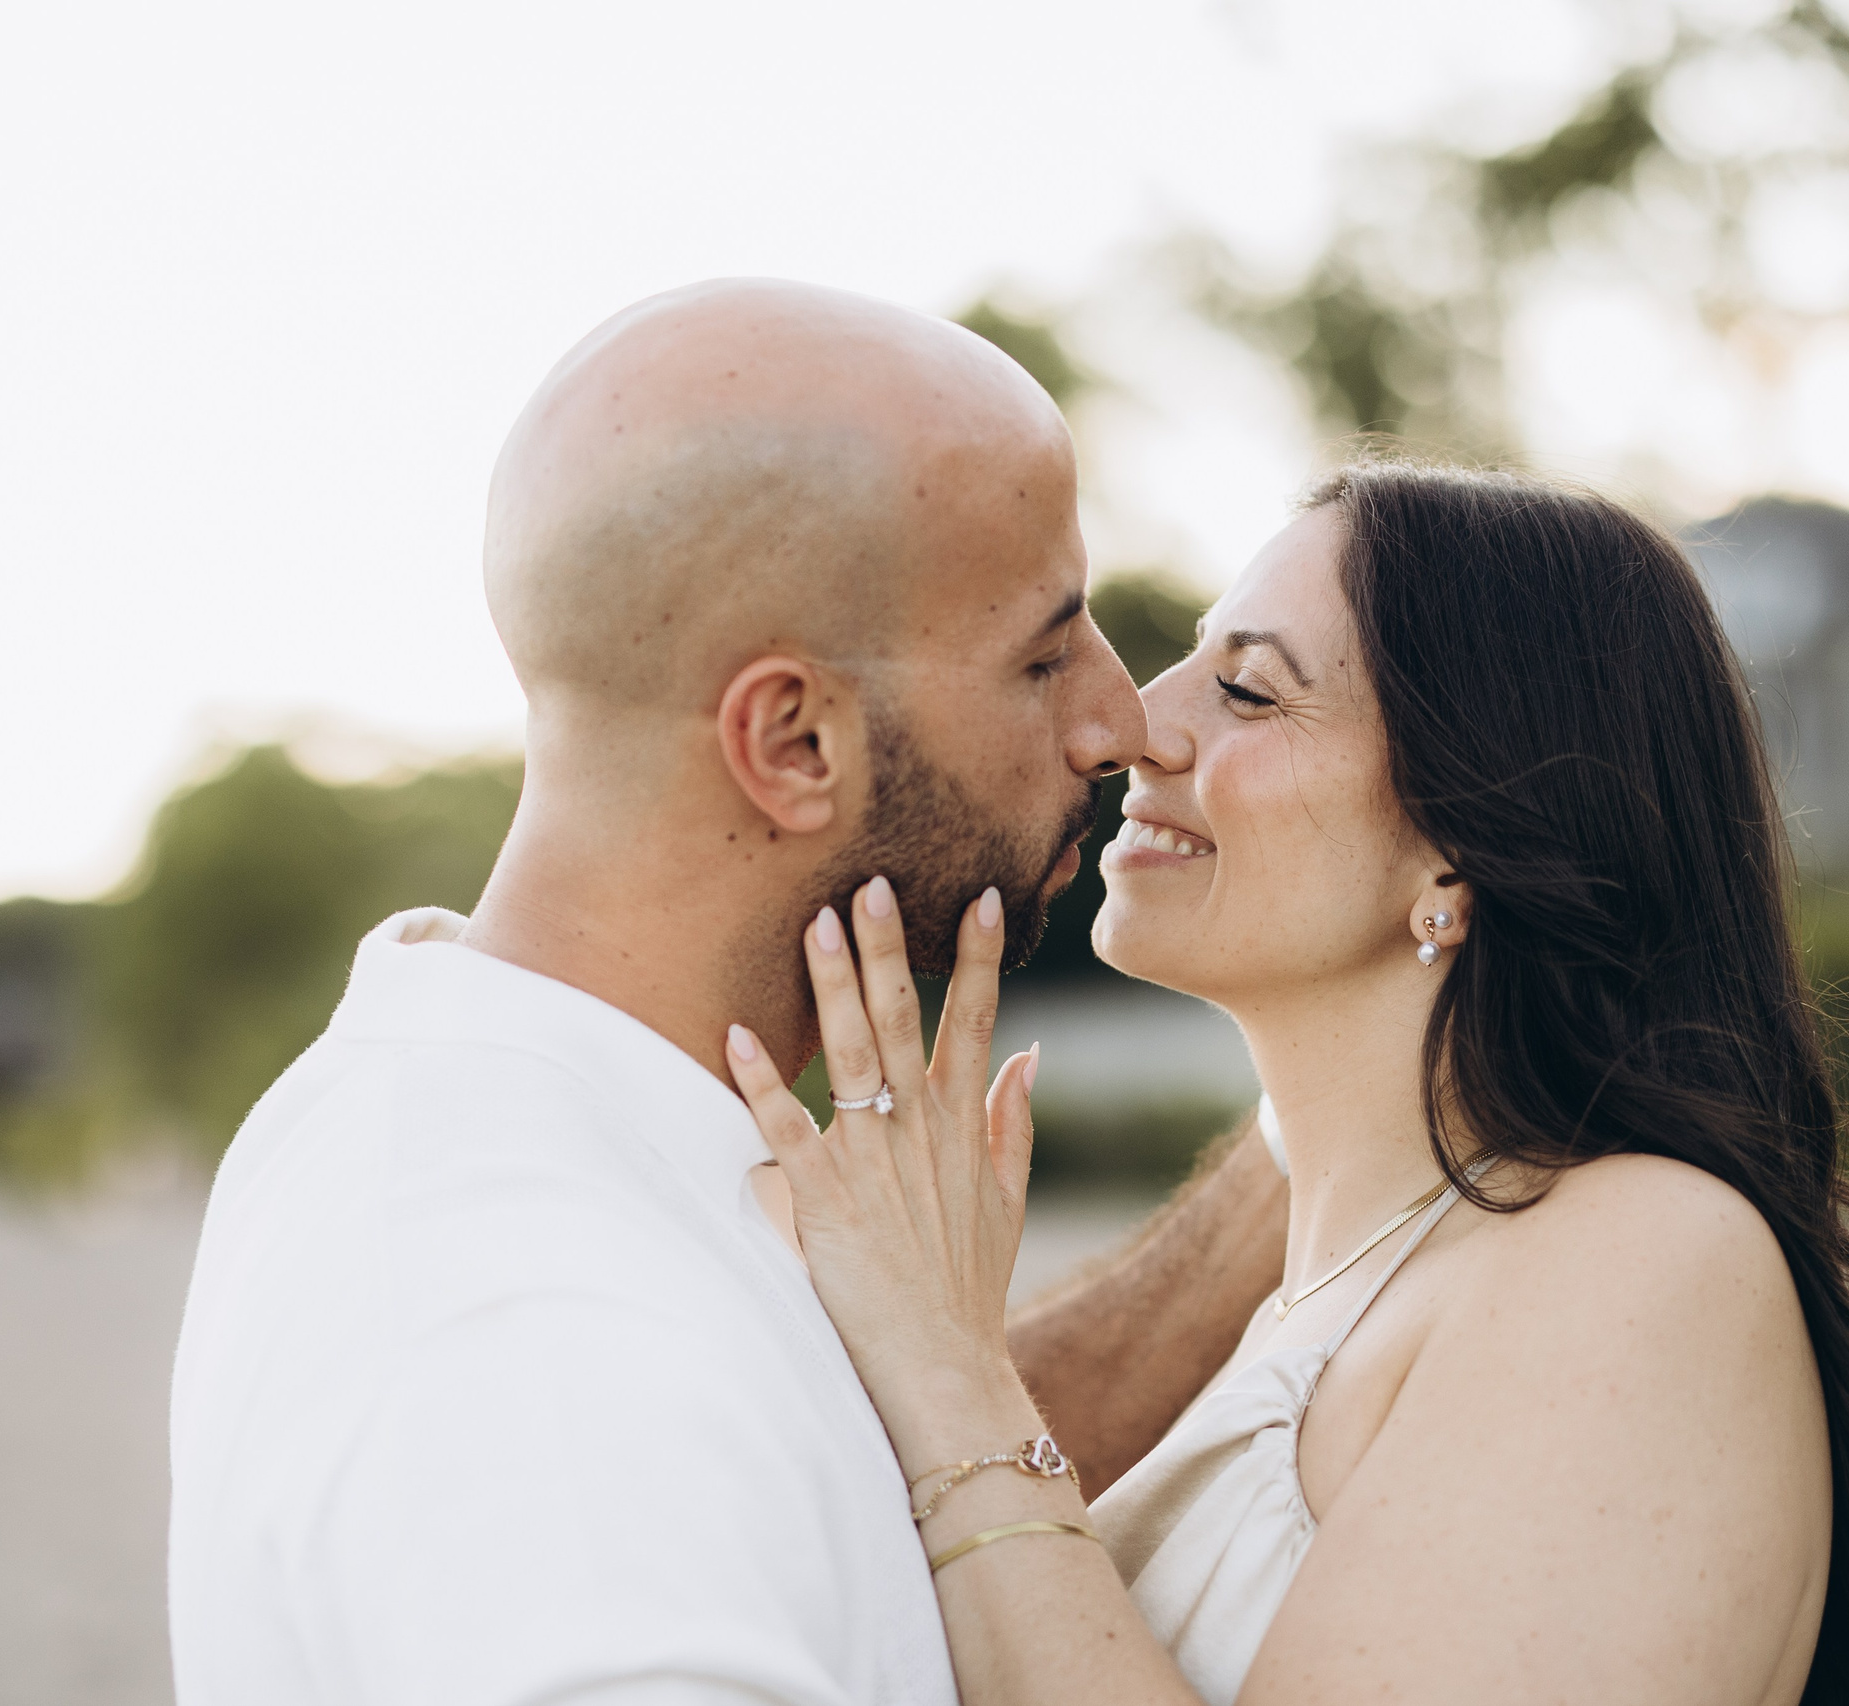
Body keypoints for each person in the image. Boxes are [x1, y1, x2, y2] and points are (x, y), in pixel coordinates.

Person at [166, 278, 1288, 1704]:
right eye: (1043, 652)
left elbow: (861, 1485)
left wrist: (1316, 1146)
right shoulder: (529, 1332)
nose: (1118, 719)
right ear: (794, 738)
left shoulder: (522, 1107)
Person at [725, 462, 1849, 1706]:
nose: (1137, 724)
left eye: (1247, 689)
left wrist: (950, 1369)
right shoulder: (1335, 1294)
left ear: (1460, 841)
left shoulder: (1640, 1258)